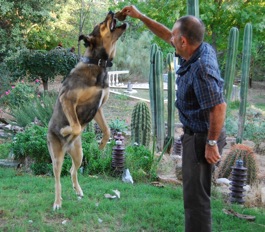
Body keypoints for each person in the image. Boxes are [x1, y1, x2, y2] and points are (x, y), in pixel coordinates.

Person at [121, 5, 227, 232]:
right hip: (198, 134)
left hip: (203, 138)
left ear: (184, 42)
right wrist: (140, 16)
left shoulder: (202, 68)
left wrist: (211, 143)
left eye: (175, 37)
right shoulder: (198, 48)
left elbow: (219, 107)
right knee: (194, 195)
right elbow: (166, 34)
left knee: (196, 200)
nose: (171, 39)